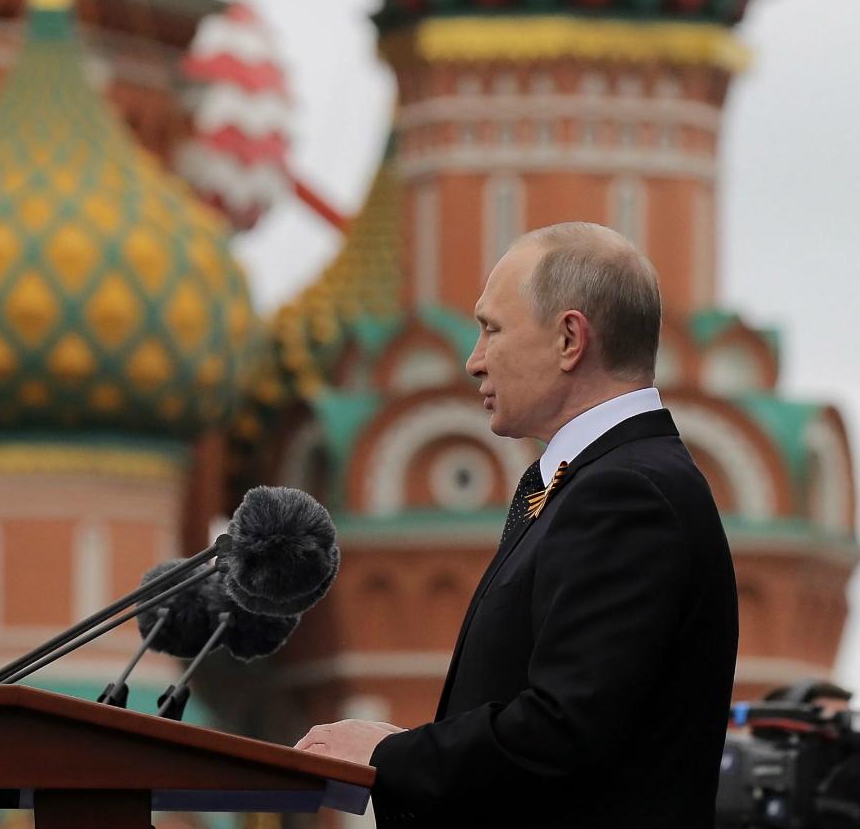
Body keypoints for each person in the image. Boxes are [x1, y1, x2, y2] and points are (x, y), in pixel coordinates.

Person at [296, 222, 738, 828]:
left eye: (491, 329)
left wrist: (390, 756)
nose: (474, 361)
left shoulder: (625, 493)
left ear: (568, 339)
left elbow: (563, 730)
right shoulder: (586, 482)